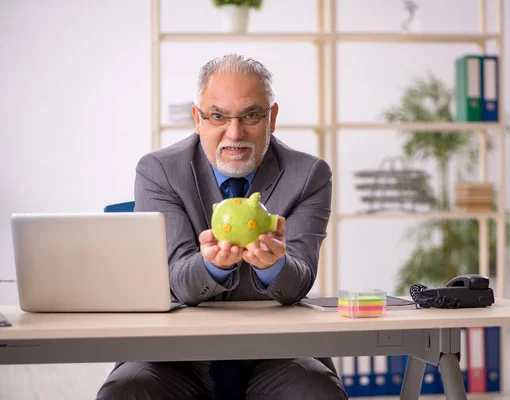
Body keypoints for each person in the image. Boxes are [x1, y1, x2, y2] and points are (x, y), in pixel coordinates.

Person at [96, 53, 348, 399]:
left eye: (251, 115)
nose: (235, 133)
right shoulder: (159, 171)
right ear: (197, 119)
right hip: (173, 356)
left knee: (315, 392)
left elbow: (298, 281)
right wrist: (210, 265)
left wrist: (276, 266)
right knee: (126, 392)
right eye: (218, 116)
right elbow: (177, 280)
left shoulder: (309, 175)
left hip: (277, 354)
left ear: (271, 117)